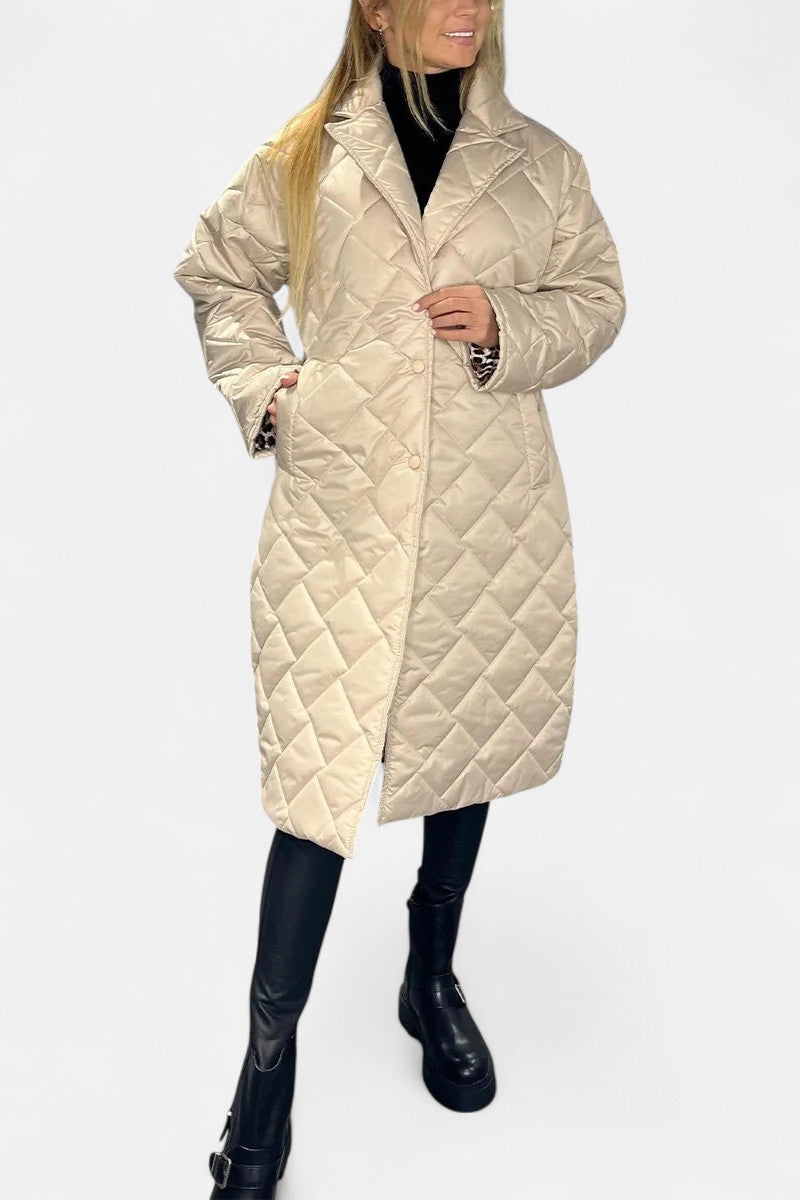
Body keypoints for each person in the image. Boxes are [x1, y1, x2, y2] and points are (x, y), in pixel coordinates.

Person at [173, 3, 626, 1196]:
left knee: (461, 738)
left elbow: (597, 297)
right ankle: (264, 1072)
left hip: (485, 513)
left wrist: (510, 323)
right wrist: (271, 394)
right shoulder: (306, 154)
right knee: (316, 784)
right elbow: (217, 271)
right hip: (339, 514)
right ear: (376, 7)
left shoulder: (541, 163)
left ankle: (429, 978)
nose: (467, 6)